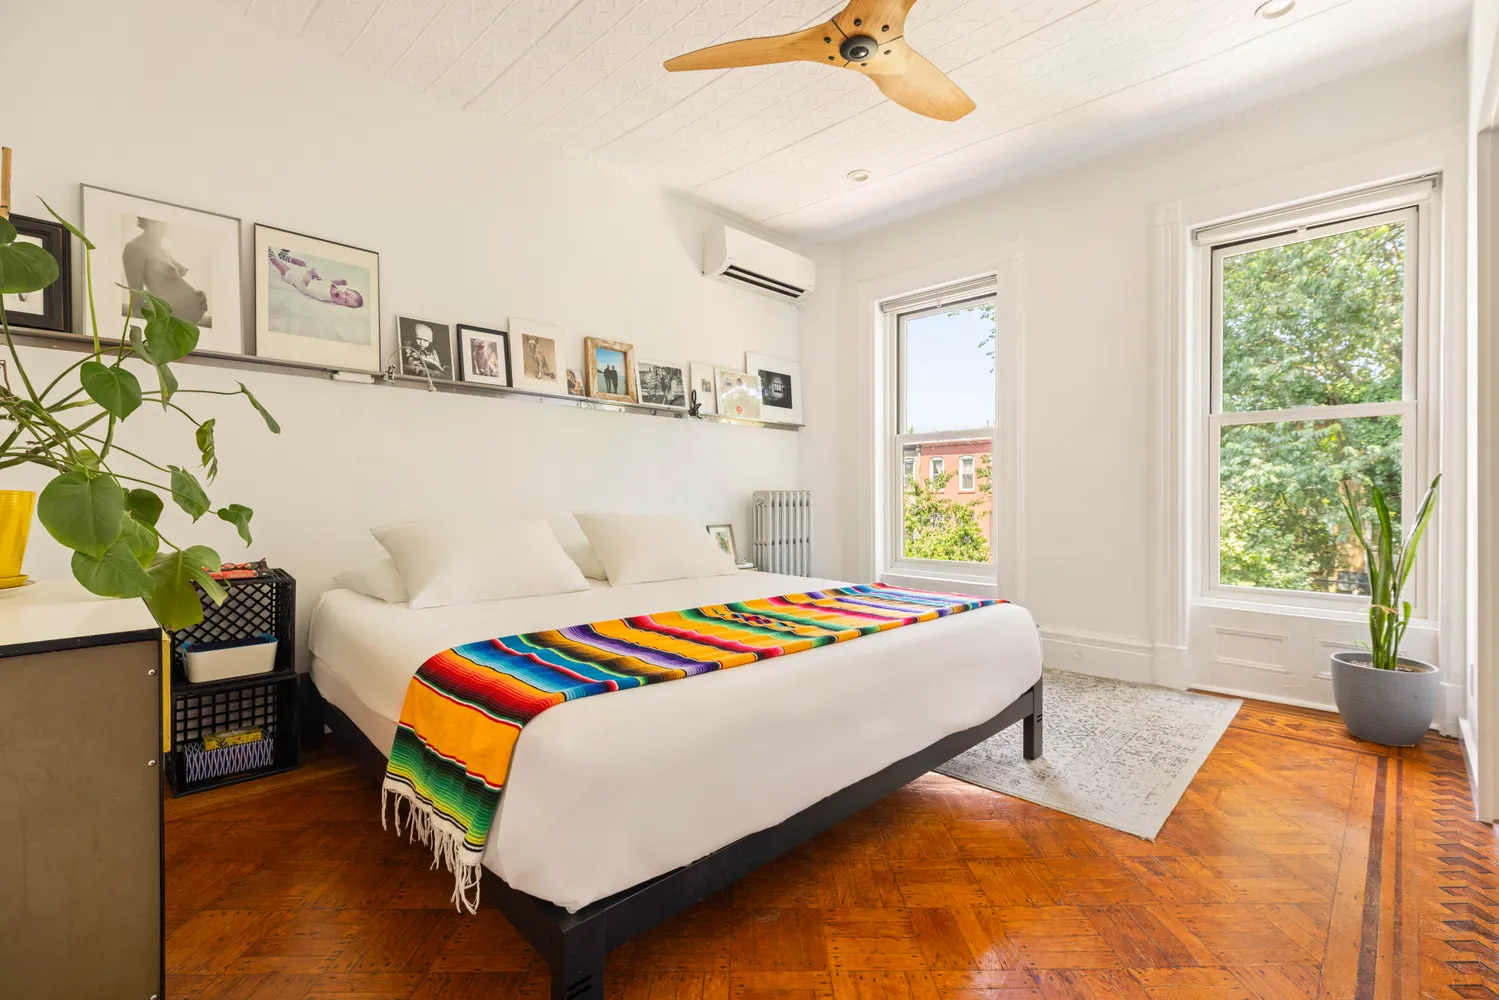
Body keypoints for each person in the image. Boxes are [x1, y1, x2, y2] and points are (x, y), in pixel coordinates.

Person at [123, 217, 210, 324]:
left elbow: (175, 282)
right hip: (171, 325)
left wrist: (197, 294)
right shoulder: (134, 248)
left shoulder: (164, 250)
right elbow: (137, 305)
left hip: (186, 323)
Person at [266, 247, 364, 309]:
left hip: (297, 278)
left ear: (343, 305)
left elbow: (306, 283)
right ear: (346, 288)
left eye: (345, 301)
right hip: (305, 274)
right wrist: (339, 282)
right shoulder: (336, 288)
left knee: (282, 266)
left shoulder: (324, 295)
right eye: (346, 293)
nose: (342, 296)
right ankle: (283, 256)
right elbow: (327, 282)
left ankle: (270, 253)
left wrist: (310, 273)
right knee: (302, 263)